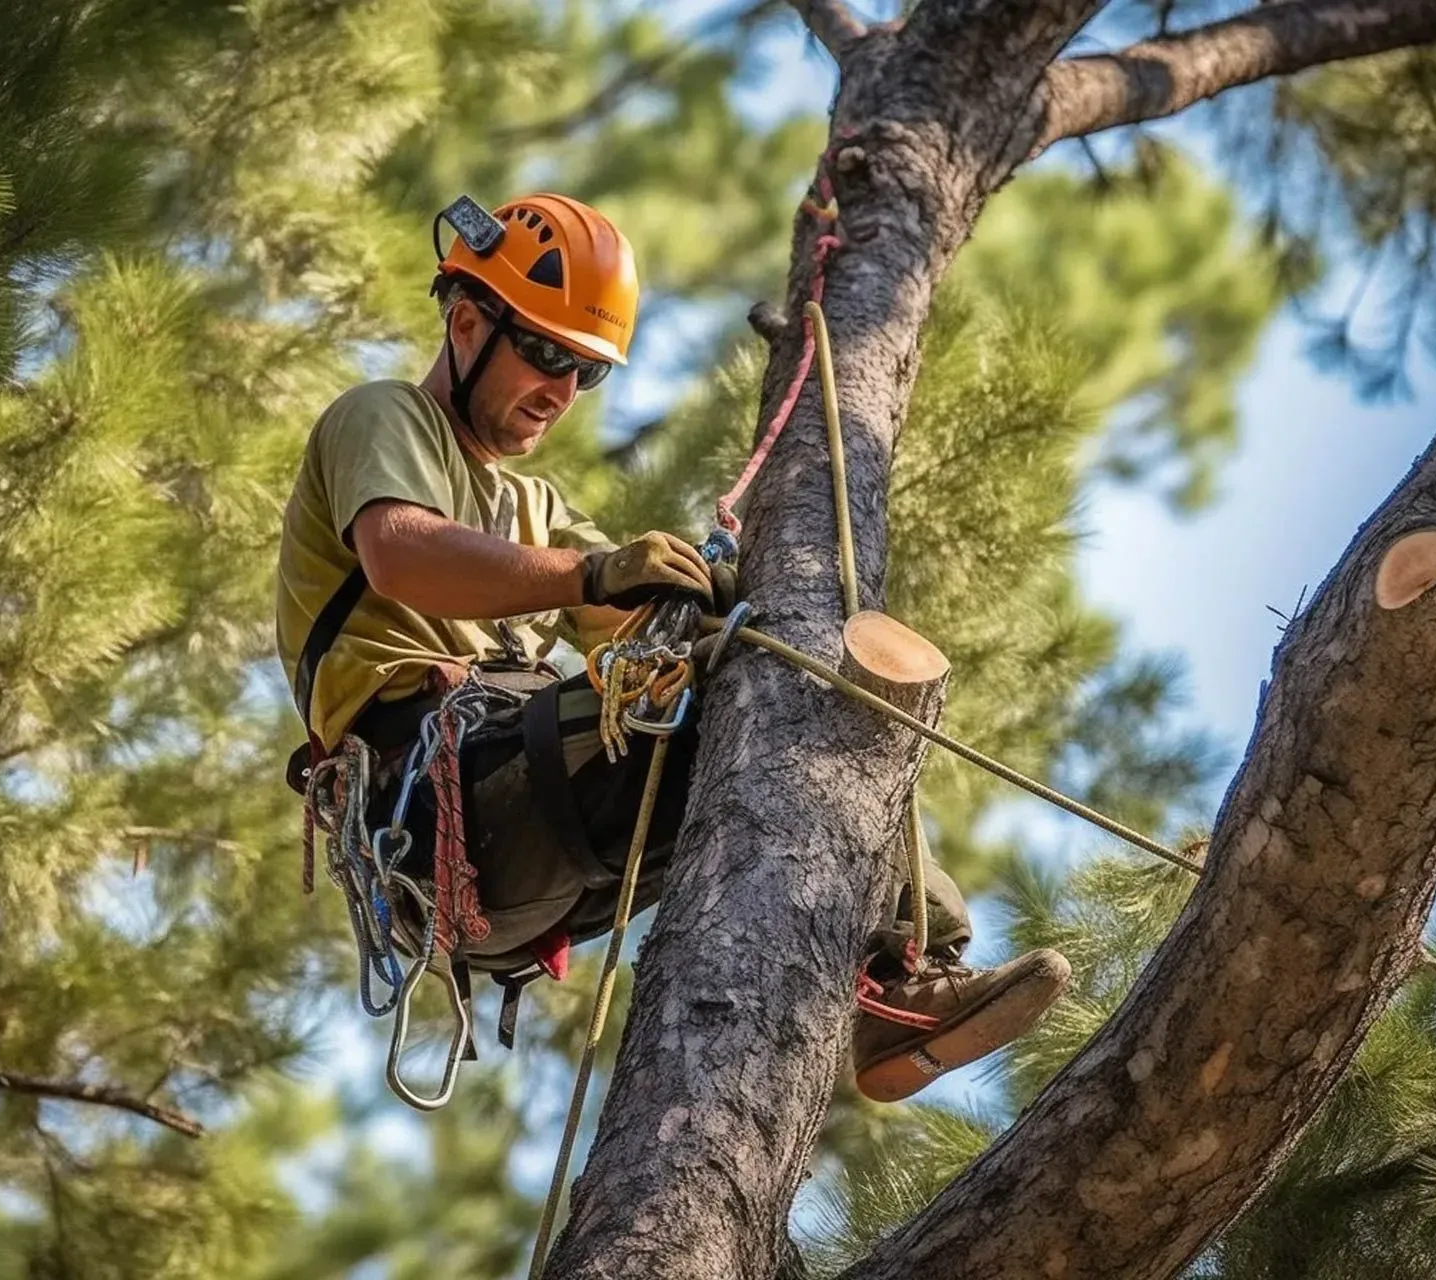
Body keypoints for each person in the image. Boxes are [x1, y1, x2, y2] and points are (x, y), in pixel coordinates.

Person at [274, 192, 1068, 1100]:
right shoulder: (385, 418)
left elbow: (622, 620)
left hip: (524, 835)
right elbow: (401, 553)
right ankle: (895, 972)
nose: (562, 393)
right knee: (756, 695)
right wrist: (595, 575)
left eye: (587, 373)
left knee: (783, 688)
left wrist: (703, 599)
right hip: (443, 802)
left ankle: (896, 985)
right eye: (545, 354)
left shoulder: (535, 511)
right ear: (464, 322)